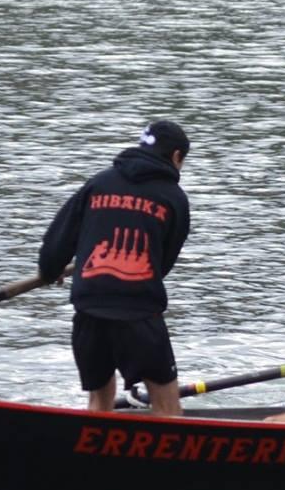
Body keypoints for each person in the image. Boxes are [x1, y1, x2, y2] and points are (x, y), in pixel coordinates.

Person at [37, 120, 192, 415]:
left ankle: (95, 454)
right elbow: (163, 263)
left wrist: (51, 270)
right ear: (175, 157)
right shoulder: (174, 198)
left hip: (89, 308)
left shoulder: (98, 183)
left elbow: (57, 242)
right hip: (139, 314)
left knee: (98, 401)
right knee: (168, 405)